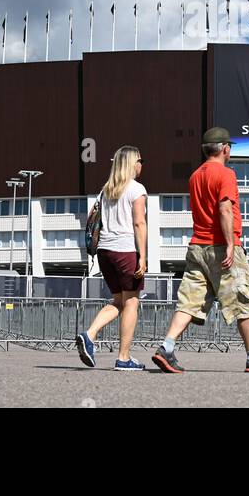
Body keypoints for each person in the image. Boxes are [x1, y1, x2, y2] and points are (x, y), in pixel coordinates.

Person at [152, 127, 249, 374]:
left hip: (197, 247)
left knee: (189, 301)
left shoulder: (194, 176)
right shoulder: (226, 174)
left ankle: (166, 347)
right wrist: (231, 243)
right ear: (225, 148)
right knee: (243, 300)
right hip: (221, 247)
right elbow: (224, 209)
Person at [76, 145, 148, 371]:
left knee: (118, 301)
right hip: (125, 250)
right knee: (131, 302)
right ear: (131, 164)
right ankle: (123, 358)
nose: (141, 164)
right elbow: (139, 223)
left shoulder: (106, 190)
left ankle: (89, 334)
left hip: (104, 252)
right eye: (139, 160)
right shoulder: (136, 189)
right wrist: (143, 256)